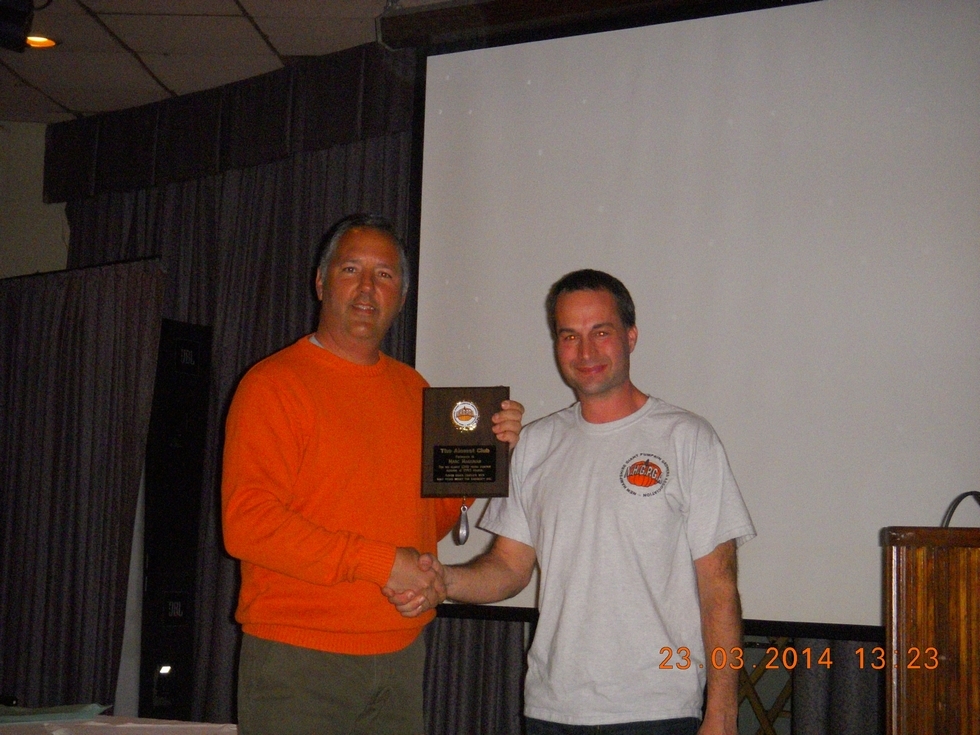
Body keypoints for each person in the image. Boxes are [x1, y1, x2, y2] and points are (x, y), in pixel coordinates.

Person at [389, 269, 755, 735]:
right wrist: (445, 581)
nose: (585, 352)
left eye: (601, 332)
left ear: (631, 337)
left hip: (657, 707)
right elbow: (509, 567)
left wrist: (722, 713)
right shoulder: (536, 443)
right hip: (552, 708)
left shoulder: (687, 438)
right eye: (569, 336)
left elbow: (719, 587)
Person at [221, 213, 523, 735]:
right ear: (321, 282)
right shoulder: (273, 384)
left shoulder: (415, 390)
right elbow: (247, 525)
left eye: (384, 275)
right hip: (298, 661)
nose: (367, 288)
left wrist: (486, 457)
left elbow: (426, 524)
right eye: (351, 270)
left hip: (401, 655)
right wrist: (383, 565)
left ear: (401, 296)